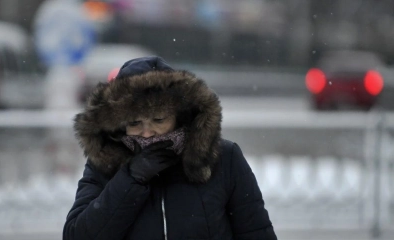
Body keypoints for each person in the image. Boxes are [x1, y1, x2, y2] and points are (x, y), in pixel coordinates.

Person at [63, 56, 277, 240]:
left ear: (179, 116)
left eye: (158, 119)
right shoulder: (105, 162)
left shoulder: (223, 158)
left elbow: (256, 233)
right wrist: (130, 180)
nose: (147, 133)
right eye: (135, 123)